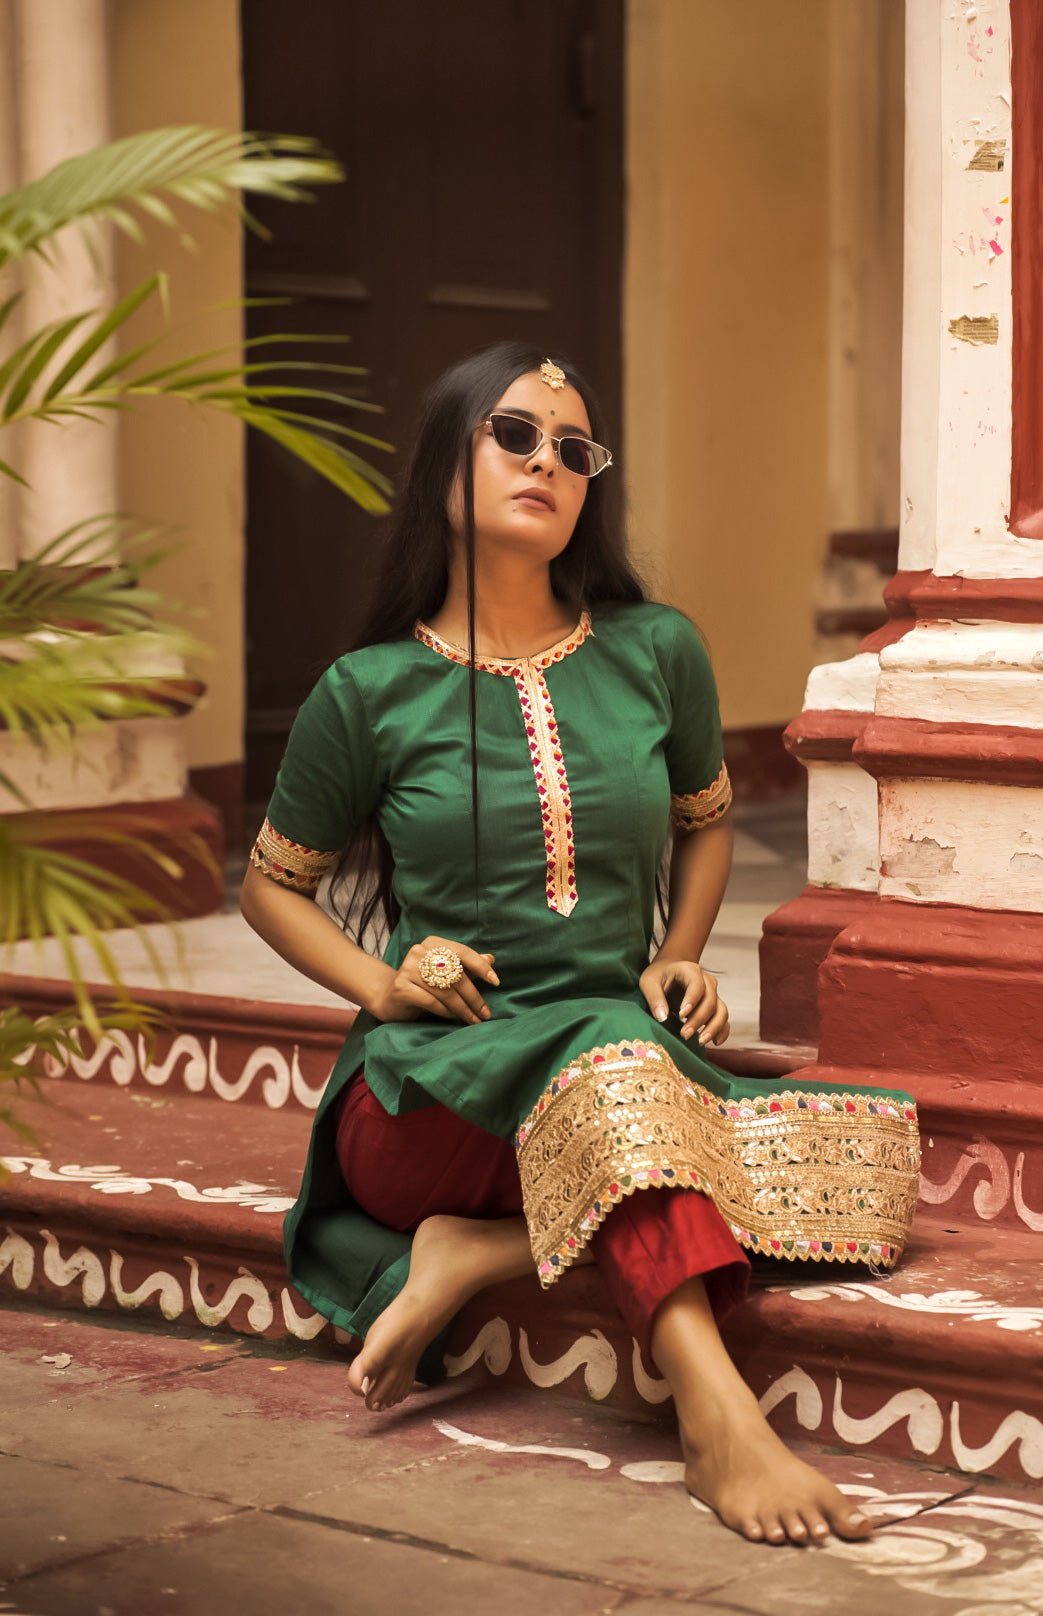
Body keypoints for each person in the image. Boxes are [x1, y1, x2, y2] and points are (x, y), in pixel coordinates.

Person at [241, 342, 920, 1547]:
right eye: (514, 434)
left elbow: (707, 822)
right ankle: (717, 1415)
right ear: (444, 462)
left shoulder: (656, 650)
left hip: (614, 1061)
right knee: (630, 1101)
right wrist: (383, 983)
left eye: (574, 448)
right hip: (434, 1098)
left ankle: (480, 1253)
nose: (547, 462)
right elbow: (270, 886)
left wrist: (680, 950)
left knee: (859, 1171)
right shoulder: (369, 689)